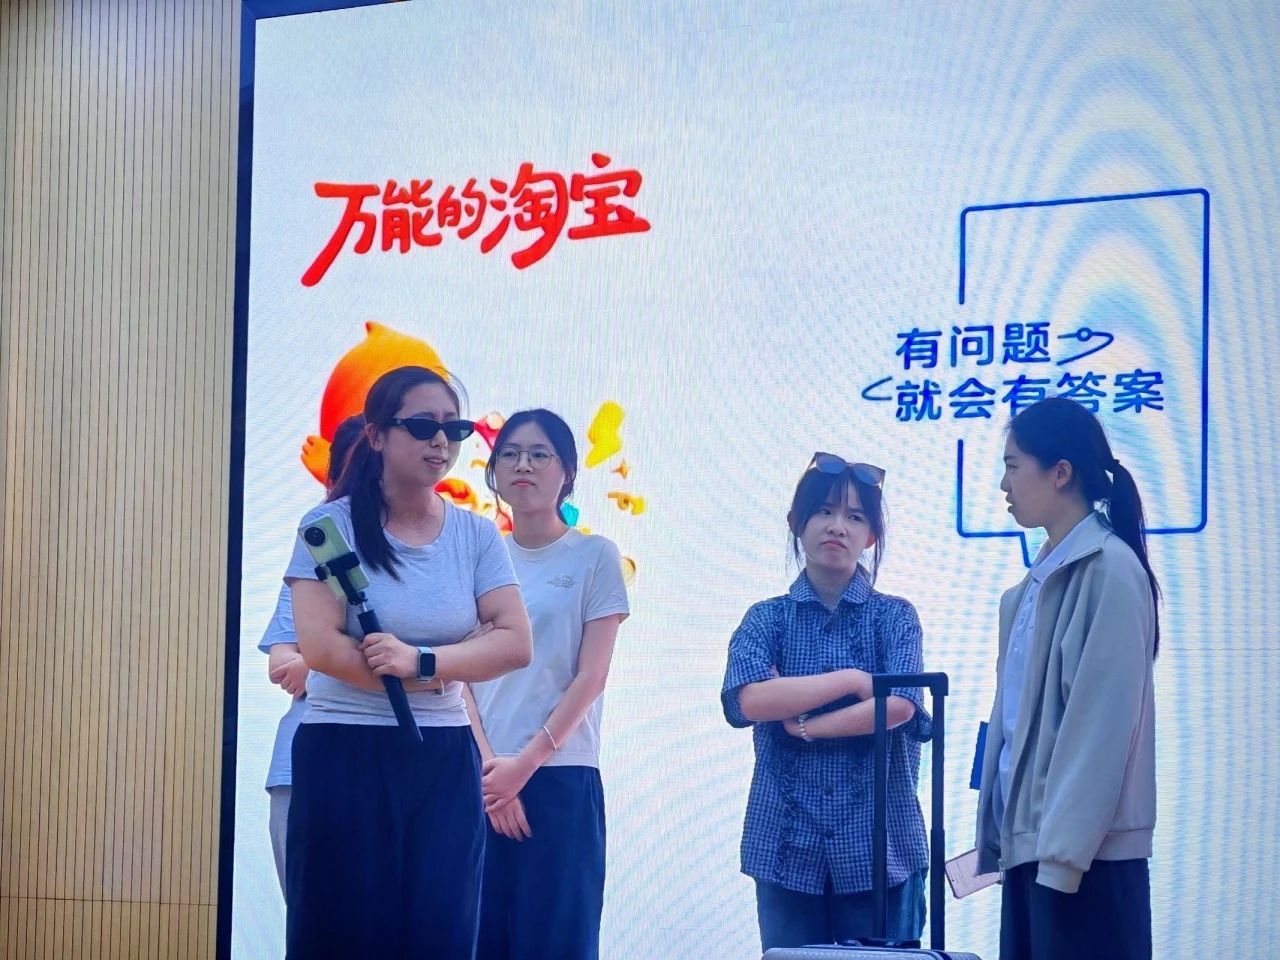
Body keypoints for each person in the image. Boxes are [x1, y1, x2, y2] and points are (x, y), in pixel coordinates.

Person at [284, 365, 532, 958]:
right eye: (422, 425)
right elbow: (321, 646)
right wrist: (440, 668)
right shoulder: (329, 527)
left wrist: (420, 663)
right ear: (375, 434)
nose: (440, 441)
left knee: (440, 932)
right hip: (345, 748)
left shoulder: (475, 535)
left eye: (454, 428)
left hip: (443, 755)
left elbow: (514, 641)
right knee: (341, 933)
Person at [975, 396, 1159, 960]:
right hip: (1036, 856)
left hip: (1085, 866)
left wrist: (1060, 860)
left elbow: (1100, 734)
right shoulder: (1030, 588)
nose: (1004, 484)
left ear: (1060, 473)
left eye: (1013, 466)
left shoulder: (1111, 570)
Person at [721, 453, 929, 951]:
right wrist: (853, 680)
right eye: (824, 511)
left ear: (871, 536)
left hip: (882, 848)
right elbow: (749, 700)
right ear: (796, 522)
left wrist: (803, 724)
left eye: (855, 516)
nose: (838, 526)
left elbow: (899, 705)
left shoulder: (895, 617)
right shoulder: (766, 619)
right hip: (786, 847)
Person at [466, 409, 629, 960]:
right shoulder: (479, 557)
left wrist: (524, 766)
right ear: (493, 469)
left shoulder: (594, 556)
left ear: (567, 472)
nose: (523, 465)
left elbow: (592, 675)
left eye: (540, 454)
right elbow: (458, 677)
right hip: (481, 780)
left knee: (557, 942)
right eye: (510, 454)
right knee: (477, 940)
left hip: (560, 774)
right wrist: (492, 773)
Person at [259, 413, 365, 895]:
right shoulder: (317, 545)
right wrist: (331, 659)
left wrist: (319, 659)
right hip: (302, 766)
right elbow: (284, 666)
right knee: (310, 922)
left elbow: (426, 659)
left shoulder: (433, 548)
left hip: (386, 766)